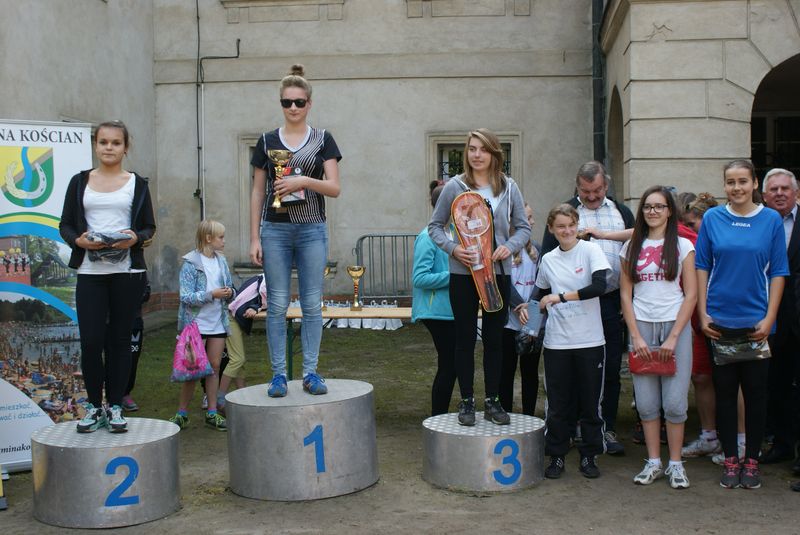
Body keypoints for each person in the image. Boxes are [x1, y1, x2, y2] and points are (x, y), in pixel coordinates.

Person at [249, 64, 341, 397]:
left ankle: (311, 372)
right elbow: (257, 191)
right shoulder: (267, 140)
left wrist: (303, 181)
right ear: (281, 103)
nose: (293, 108)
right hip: (274, 231)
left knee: (312, 304)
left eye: (299, 102)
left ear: (309, 103)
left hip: (312, 229)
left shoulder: (323, 139)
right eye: (287, 102)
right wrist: (254, 237)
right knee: (276, 304)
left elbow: (334, 187)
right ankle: (278, 375)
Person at [695, 160, 788, 489]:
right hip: (719, 323)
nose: (737, 188)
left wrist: (770, 318)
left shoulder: (770, 220)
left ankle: (752, 461)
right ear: (724, 185)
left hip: (757, 324)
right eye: (731, 182)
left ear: (754, 183)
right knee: (724, 395)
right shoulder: (712, 218)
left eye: (743, 181)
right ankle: (731, 460)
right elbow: (702, 266)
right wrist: (703, 314)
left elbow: (779, 271)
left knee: (756, 395)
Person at [428, 128, 530, 426]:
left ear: (494, 153)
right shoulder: (455, 186)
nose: (476, 154)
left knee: (495, 340)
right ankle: (467, 401)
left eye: (483, 149)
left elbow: (523, 228)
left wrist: (510, 247)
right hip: (463, 275)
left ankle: (493, 401)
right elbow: (435, 227)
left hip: (497, 274)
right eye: (472, 149)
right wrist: (454, 249)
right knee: (464, 339)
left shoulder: (509, 187)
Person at [59, 120, 155, 434]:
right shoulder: (79, 182)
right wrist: (79, 241)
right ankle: (93, 406)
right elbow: (65, 225)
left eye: (116, 142)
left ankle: (115, 406)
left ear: (125, 148)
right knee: (91, 342)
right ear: (95, 146)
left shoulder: (137, 183)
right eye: (103, 142)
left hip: (127, 273)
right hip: (91, 273)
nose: (109, 148)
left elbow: (148, 227)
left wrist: (134, 238)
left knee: (119, 341)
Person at [540, 161, 634, 455]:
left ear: (606, 185)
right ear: (577, 186)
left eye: (597, 190)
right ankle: (570, 429)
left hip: (611, 300)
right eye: (585, 191)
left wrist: (628, 300)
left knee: (608, 369)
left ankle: (605, 428)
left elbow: (634, 253)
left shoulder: (622, 212)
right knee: (570, 371)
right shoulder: (565, 212)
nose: (591, 196)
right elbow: (548, 259)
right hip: (568, 305)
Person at [620, 186, 697, 489]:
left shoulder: (682, 246)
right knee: (647, 402)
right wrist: (636, 336)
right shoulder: (631, 247)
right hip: (642, 326)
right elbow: (625, 295)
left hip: (675, 326)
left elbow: (691, 294)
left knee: (675, 403)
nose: (652, 211)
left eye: (659, 206)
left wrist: (674, 337)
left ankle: (676, 464)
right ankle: (654, 461)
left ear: (669, 211)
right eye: (647, 207)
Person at [530, 204, 609, 479]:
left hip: (590, 340)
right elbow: (538, 295)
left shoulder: (591, 251)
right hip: (557, 343)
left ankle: (589, 455)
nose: (567, 231)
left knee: (590, 403)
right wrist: (528, 321)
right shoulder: (548, 259)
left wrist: (560, 297)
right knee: (557, 404)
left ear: (578, 225)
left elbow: (599, 287)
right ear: (551, 229)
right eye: (561, 226)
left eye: (571, 225)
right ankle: (557, 455)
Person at [169, 219, 234, 431]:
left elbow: (230, 286)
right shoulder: (190, 264)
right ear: (208, 238)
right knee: (193, 369)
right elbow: (186, 296)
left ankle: (212, 412)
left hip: (218, 323)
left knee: (214, 367)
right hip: (196, 325)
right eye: (220, 237)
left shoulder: (221, 261)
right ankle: (182, 413)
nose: (224, 241)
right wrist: (211, 294)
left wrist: (230, 292)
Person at [760, 168, 800, 469]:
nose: (780, 193)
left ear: (796, 192)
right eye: (774, 189)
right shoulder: (758, 224)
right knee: (776, 383)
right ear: (764, 196)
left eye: (785, 188)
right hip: (768, 316)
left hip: (798, 310)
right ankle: (782, 445)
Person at [412, 182, 456, 416]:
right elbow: (420, 278)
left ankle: (442, 415)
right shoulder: (427, 237)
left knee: (453, 365)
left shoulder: (454, 233)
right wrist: (455, 276)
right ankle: (437, 417)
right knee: (449, 365)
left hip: (450, 310)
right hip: (435, 311)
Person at [500, 202, 542, 416]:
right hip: (508, 320)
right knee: (505, 371)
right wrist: (517, 305)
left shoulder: (537, 249)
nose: (532, 222)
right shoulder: (503, 251)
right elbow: (502, 284)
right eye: (528, 218)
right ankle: (505, 414)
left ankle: (529, 416)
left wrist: (531, 306)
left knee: (530, 371)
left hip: (532, 316)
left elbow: (542, 282)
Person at [217, 274, 268, 410]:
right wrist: (257, 307)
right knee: (237, 359)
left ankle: (243, 395)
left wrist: (257, 307)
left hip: (233, 317)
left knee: (238, 360)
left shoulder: (260, 277)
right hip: (231, 317)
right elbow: (266, 296)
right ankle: (220, 399)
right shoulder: (265, 279)